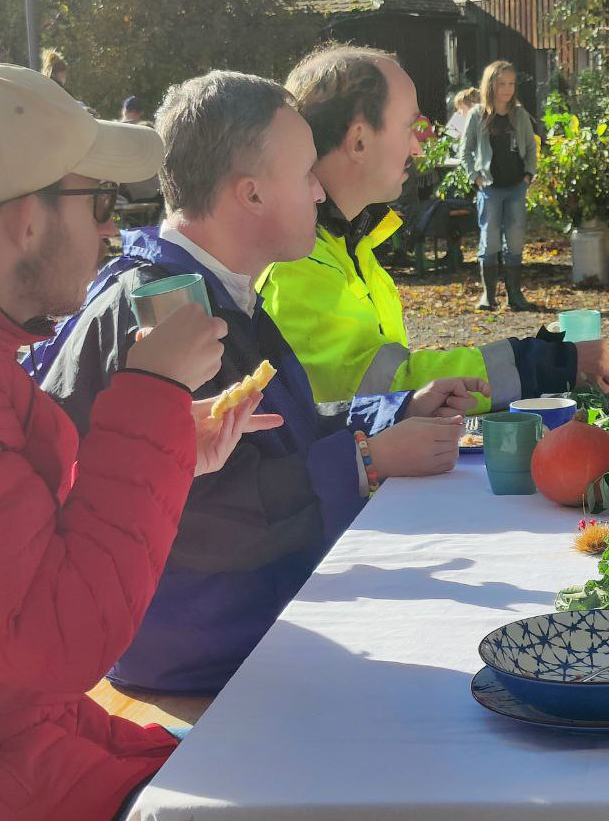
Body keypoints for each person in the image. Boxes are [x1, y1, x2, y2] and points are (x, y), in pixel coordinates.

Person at [35, 70, 483, 696]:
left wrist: (392, 410)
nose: (321, 192)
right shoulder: (164, 311)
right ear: (249, 195)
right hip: (201, 648)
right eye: (305, 173)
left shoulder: (222, 291)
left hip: (242, 624)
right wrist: (363, 461)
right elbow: (202, 515)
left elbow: (277, 430)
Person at [0, 64, 275, 821]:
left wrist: (167, 447)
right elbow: (57, 641)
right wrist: (152, 394)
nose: (112, 231)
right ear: (26, 216)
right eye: (99, 202)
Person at [257, 44, 609, 408]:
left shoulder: (347, 245)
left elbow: (399, 380)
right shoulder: (297, 265)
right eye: (408, 127)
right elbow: (385, 394)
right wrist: (546, 364)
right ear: (359, 141)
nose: (417, 148)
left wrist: (542, 358)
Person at [459, 61, 538, 311]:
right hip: (490, 187)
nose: (506, 89)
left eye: (511, 84)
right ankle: (488, 295)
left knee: (515, 240)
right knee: (490, 239)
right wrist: (475, 176)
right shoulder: (477, 114)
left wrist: (528, 175)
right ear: (490, 84)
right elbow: (465, 151)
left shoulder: (520, 114)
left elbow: (532, 147)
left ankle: (514, 293)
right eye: (501, 83)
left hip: (516, 186)